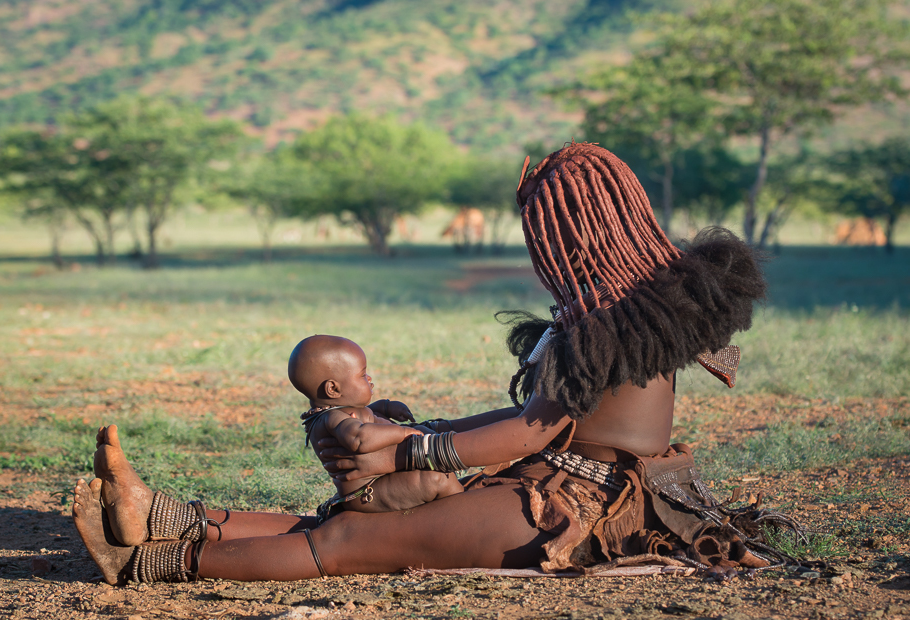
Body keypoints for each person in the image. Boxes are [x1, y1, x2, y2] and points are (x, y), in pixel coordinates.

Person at [73, 143, 799, 586]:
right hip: (555, 482)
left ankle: (146, 562)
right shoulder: (640, 307)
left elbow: (528, 435)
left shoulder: (610, 325)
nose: (541, 252)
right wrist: (423, 434)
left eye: (545, 237)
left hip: (585, 509)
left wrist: (406, 449)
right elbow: (529, 424)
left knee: (353, 540)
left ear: (574, 237)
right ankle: (164, 516)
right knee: (351, 518)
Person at [288, 334, 464, 520]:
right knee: (436, 480)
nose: (370, 377)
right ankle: (464, 514)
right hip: (366, 493)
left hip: (380, 482)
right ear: (333, 389)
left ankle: (453, 508)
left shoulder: (340, 411)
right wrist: (402, 432)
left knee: (437, 472)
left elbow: (365, 415)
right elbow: (359, 437)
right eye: (362, 375)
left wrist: (385, 407)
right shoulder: (330, 418)